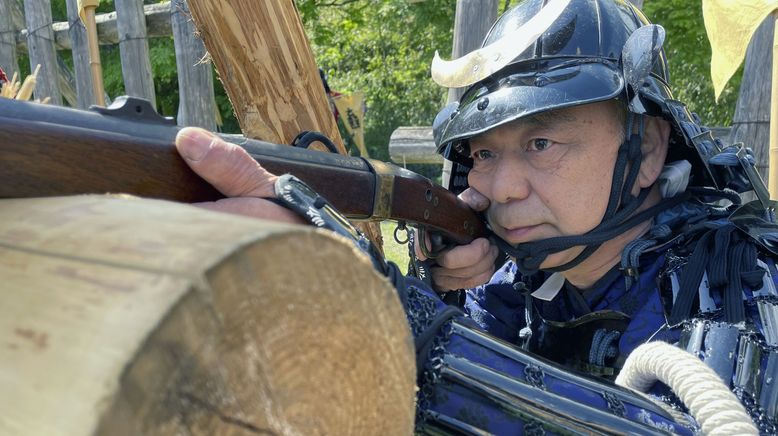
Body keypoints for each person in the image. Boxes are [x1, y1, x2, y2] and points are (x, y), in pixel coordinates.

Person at [175, 0, 776, 433]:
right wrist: (440, 292)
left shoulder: (739, 281)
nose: (501, 186)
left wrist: (405, 324)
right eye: (485, 152)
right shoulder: (520, 278)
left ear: (644, 152)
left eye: (542, 144)